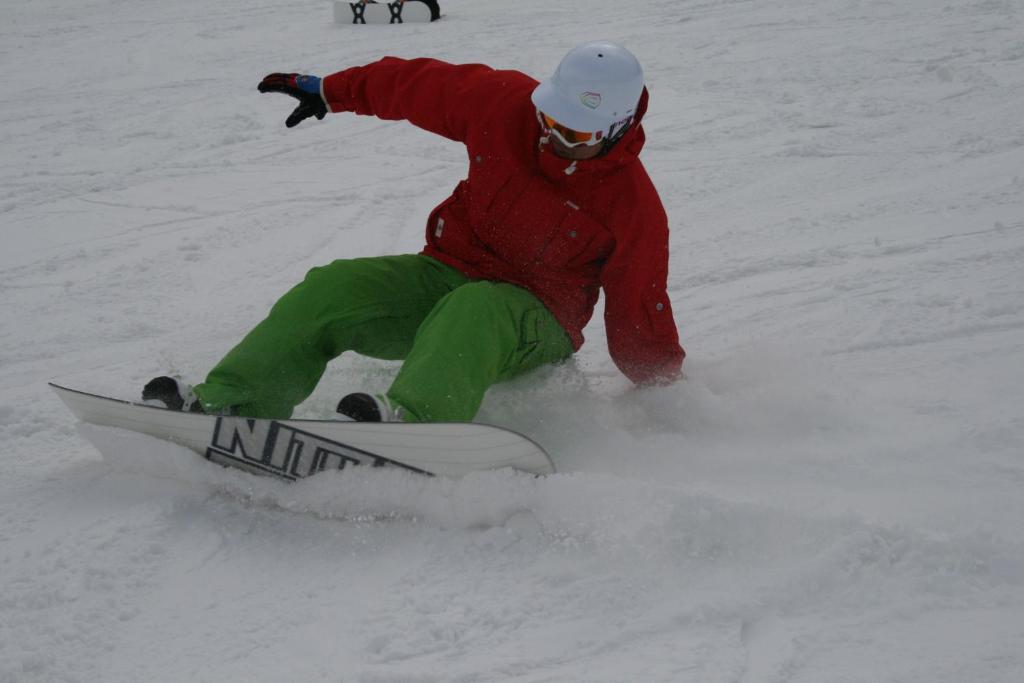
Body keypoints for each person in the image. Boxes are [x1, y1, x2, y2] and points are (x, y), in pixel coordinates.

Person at [144, 42, 685, 423]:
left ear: (619, 128)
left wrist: (664, 393)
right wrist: (333, 91)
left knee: (477, 308)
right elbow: (418, 85)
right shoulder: (507, 105)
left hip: (534, 322)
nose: (552, 136)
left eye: (573, 130)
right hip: (449, 275)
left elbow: (640, 308)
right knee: (332, 288)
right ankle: (235, 402)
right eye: (550, 117)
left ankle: (415, 424)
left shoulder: (632, 206)